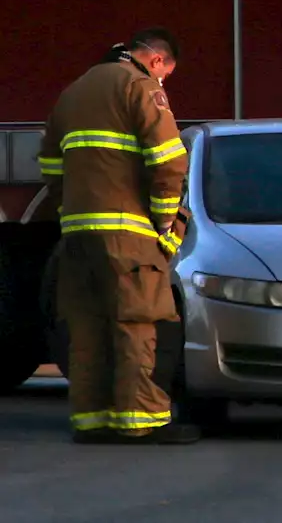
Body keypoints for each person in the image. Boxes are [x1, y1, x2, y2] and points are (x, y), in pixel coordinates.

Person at [38, 28, 198, 445]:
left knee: (87, 322)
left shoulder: (72, 92)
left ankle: (91, 420)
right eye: (165, 75)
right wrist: (164, 222)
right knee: (137, 321)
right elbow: (168, 160)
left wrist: (68, 211)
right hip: (127, 232)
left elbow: (51, 167)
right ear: (156, 60)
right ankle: (140, 421)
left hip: (77, 232)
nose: (162, 83)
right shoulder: (139, 87)